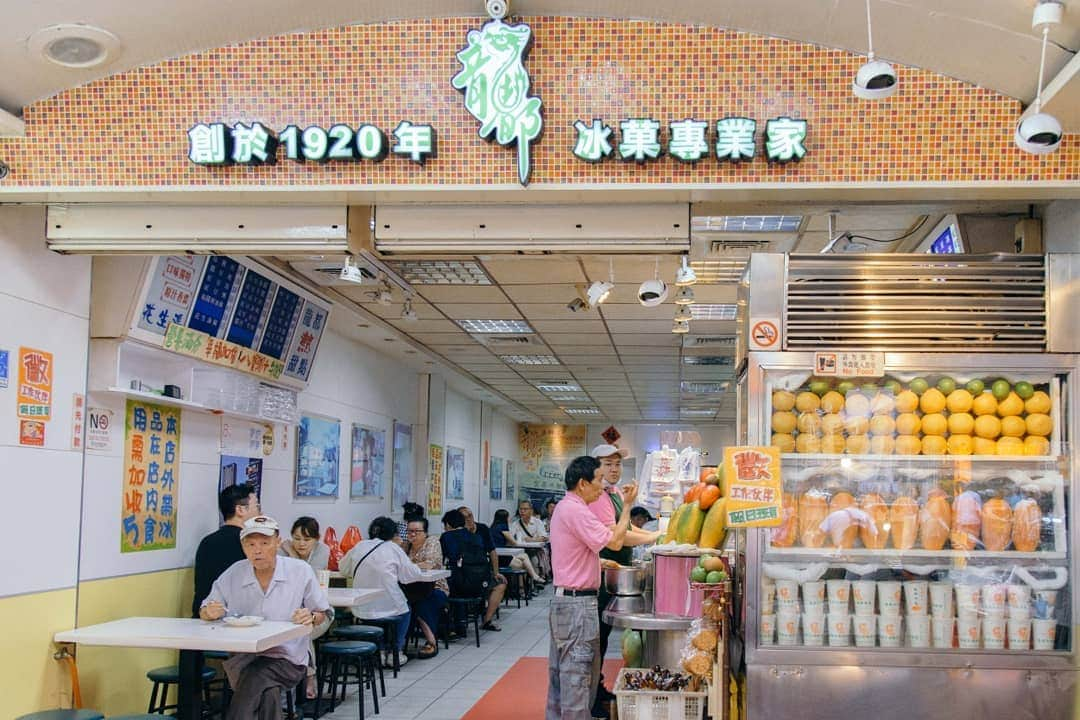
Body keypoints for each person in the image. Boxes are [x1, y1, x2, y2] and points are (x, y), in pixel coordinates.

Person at [199, 515, 332, 720]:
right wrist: (209, 611)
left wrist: (311, 616)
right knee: (266, 691)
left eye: (264, 543)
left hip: (288, 658)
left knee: (256, 675)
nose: (257, 550)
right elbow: (206, 607)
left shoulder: (299, 571)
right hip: (244, 657)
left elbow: (323, 613)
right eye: (250, 544)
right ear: (243, 546)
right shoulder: (235, 573)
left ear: (277, 542)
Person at [547, 456, 637, 720]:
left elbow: (574, 551)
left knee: (560, 679)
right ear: (583, 483)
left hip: (564, 602)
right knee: (578, 678)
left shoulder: (566, 508)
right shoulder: (577, 510)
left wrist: (598, 561)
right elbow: (617, 541)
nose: (602, 485)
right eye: (599, 479)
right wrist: (628, 505)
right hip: (577, 606)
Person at [587, 444, 663, 718]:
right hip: (600, 574)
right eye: (607, 464)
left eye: (617, 464)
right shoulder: (596, 497)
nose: (614, 469)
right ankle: (592, 697)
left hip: (616, 573)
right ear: (595, 468)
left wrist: (654, 537)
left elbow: (627, 528)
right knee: (596, 639)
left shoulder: (616, 493)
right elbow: (617, 537)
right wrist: (656, 537)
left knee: (603, 638)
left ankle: (598, 688)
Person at [340, 516, 429, 668]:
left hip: (362, 608)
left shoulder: (359, 546)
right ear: (393, 534)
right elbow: (410, 575)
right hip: (390, 606)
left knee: (374, 615)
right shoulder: (393, 548)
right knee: (405, 610)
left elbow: (343, 568)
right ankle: (396, 652)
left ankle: (379, 652)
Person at [276, 516, 331, 697]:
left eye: (307, 539)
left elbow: (310, 580)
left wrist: (292, 557)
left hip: (320, 611)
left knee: (303, 631)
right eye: (297, 538)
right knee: (298, 629)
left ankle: (309, 677)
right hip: (289, 613)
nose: (301, 544)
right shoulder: (282, 550)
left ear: (317, 539)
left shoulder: (323, 551)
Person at [192, 483, 260, 617]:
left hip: (203, 616)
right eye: (257, 506)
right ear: (240, 510)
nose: (260, 512)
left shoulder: (206, 542)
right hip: (233, 619)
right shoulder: (247, 544)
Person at [441, 509, 507, 631]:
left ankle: (453, 625)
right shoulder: (476, 537)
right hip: (481, 584)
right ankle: (485, 620)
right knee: (500, 584)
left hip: (460, 585)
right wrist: (496, 572)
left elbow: (441, 560)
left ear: (448, 525)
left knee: (441, 589)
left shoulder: (446, 537)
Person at [405, 516, 449, 658]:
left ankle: (431, 642)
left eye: (417, 531)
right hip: (411, 588)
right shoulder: (405, 546)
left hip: (435, 586)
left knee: (423, 602)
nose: (412, 534)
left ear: (425, 532)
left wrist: (407, 566)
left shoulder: (432, 542)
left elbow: (429, 564)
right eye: (409, 531)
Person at [491, 508, 545, 585]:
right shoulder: (502, 527)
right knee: (523, 564)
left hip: (496, 557)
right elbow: (513, 542)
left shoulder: (493, 527)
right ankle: (524, 588)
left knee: (525, 555)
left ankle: (533, 578)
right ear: (505, 518)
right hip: (502, 558)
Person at [511, 499, 552, 581]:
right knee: (519, 562)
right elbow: (511, 537)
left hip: (536, 550)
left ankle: (535, 584)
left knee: (534, 559)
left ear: (531, 511)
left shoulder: (538, 522)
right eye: (520, 509)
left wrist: (531, 540)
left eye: (525, 509)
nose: (522, 511)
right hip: (521, 550)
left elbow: (544, 537)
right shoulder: (516, 523)